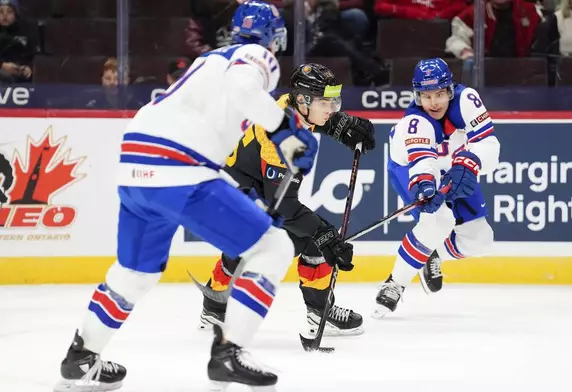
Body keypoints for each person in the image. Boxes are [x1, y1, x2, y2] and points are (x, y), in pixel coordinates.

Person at [54, 2, 322, 391]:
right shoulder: (256, 56)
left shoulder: (209, 60)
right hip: (177, 166)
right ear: (274, 37)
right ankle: (230, 352)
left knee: (135, 273)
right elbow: (243, 88)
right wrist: (285, 130)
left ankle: (81, 356)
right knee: (274, 246)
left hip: (135, 167)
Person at [197, 63, 376, 337]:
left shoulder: (288, 109)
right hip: (229, 195)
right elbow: (284, 205)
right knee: (278, 243)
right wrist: (325, 234)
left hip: (245, 190)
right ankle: (215, 307)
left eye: (334, 101)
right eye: (325, 102)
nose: (332, 109)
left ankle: (318, 312)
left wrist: (339, 126)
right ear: (303, 101)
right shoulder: (278, 139)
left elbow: (310, 121)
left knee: (308, 238)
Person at [373, 58, 500, 318]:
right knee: (438, 221)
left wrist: (471, 162)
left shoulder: (467, 101)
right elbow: (422, 162)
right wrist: (424, 186)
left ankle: (431, 253)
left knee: (480, 239)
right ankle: (394, 283)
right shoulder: (415, 122)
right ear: (417, 95)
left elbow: (490, 145)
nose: (434, 102)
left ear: (450, 89)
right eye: (426, 95)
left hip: (454, 167)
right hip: (410, 169)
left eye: (440, 94)